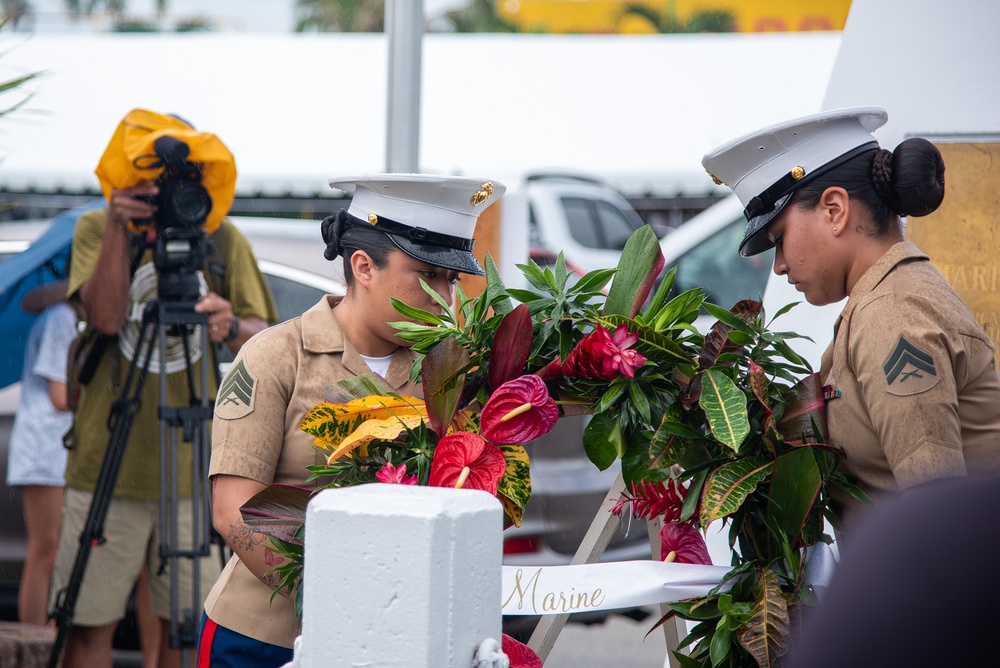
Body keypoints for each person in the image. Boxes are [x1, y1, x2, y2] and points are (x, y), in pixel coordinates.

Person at [197, 174, 505, 667]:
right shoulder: (276, 356)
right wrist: (343, 605)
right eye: (427, 274)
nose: (443, 295)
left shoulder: (450, 369)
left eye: (451, 279)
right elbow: (233, 509)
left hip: (401, 641)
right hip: (266, 640)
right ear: (363, 266)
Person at [49, 112, 279, 668]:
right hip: (110, 461)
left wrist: (229, 323)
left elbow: (264, 337)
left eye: (180, 176)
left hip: (193, 470)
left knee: (184, 633)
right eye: (150, 175)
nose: (166, 190)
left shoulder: (220, 235)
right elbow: (105, 319)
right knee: (88, 629)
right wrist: (114, 227)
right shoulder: (97, 229)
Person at [701, 107, 1000, 524]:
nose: (780, 265)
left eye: (781, 238)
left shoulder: (894, 315)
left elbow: (939, 526)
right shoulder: (885, 298)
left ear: (835, 210)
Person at [6, 279, 76, 627]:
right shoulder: (61, 317)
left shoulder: (68, 315)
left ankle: (49, 633)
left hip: (57, 452)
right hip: (45, 451)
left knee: (57, 552)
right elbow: (60, 397)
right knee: (45, 551)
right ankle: (35, 641)